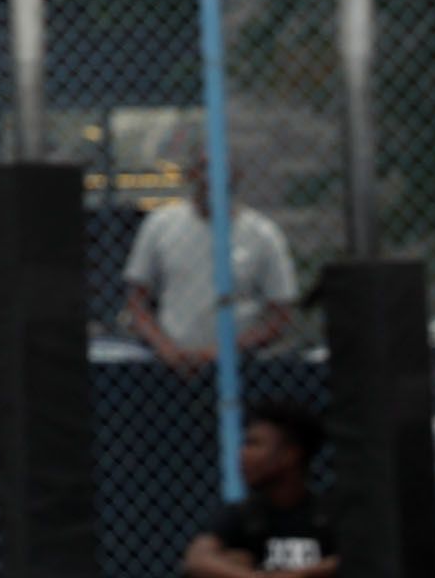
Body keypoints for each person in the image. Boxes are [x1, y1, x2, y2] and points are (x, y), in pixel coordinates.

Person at [125, 153, 300, 368]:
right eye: (203, 169)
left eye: (221, 169)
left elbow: (280, 313)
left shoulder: (263, 234)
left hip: (241, 365)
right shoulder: (160, 225)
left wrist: (223, 351)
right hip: (171, 364)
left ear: (237, 176)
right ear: (190, 175)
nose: (210, 177)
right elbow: (136, 301)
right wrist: (165, 348)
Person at [181, 399, 336, 577]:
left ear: (290, 455)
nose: (243, 454)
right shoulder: (244, 515)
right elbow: (197, 559)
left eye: (254, 444)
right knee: (233, 559)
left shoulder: (330, 516)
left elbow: (357, 559)